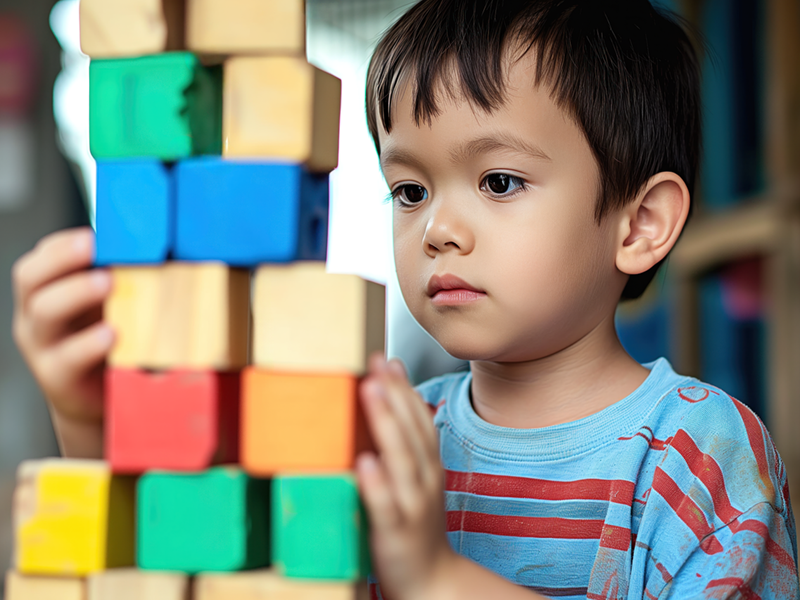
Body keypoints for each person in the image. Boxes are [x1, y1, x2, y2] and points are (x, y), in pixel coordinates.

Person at [11, 0, 799, 598]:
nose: (437, 229)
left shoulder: (699, 454)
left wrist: (438, 577)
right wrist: (94, 419)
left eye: (498, 181)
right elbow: (200, 565)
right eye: (410, 189)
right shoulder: (386, 429)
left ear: (640, 224)